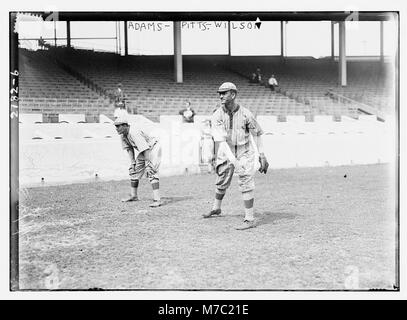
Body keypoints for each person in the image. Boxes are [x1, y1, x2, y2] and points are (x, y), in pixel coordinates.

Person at [203, 82, 269, 230]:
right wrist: (233, 161)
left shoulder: (246, 113)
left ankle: (249, 218)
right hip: (226, 150)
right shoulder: (216, 115)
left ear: (233, 94)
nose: (220, 96)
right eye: (219, 93)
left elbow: (257, 134)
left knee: (245, 178)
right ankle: (216, 208)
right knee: (221, 178)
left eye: (224, 93)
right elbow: (220, 141)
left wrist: (262, 155)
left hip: (244, 150)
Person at [114, 111, 162, 208]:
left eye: (118, 126)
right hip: (146, 149)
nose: (116, 128)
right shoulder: (123, 135)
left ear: (125, 125)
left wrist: (148, 163)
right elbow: (129, 149)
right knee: (133, 170)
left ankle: (157, 200)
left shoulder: (134, 132)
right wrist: (133, 163)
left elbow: (146, 149)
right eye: (116, 126)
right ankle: (134, 196)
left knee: (151, 171)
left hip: (153, 148)